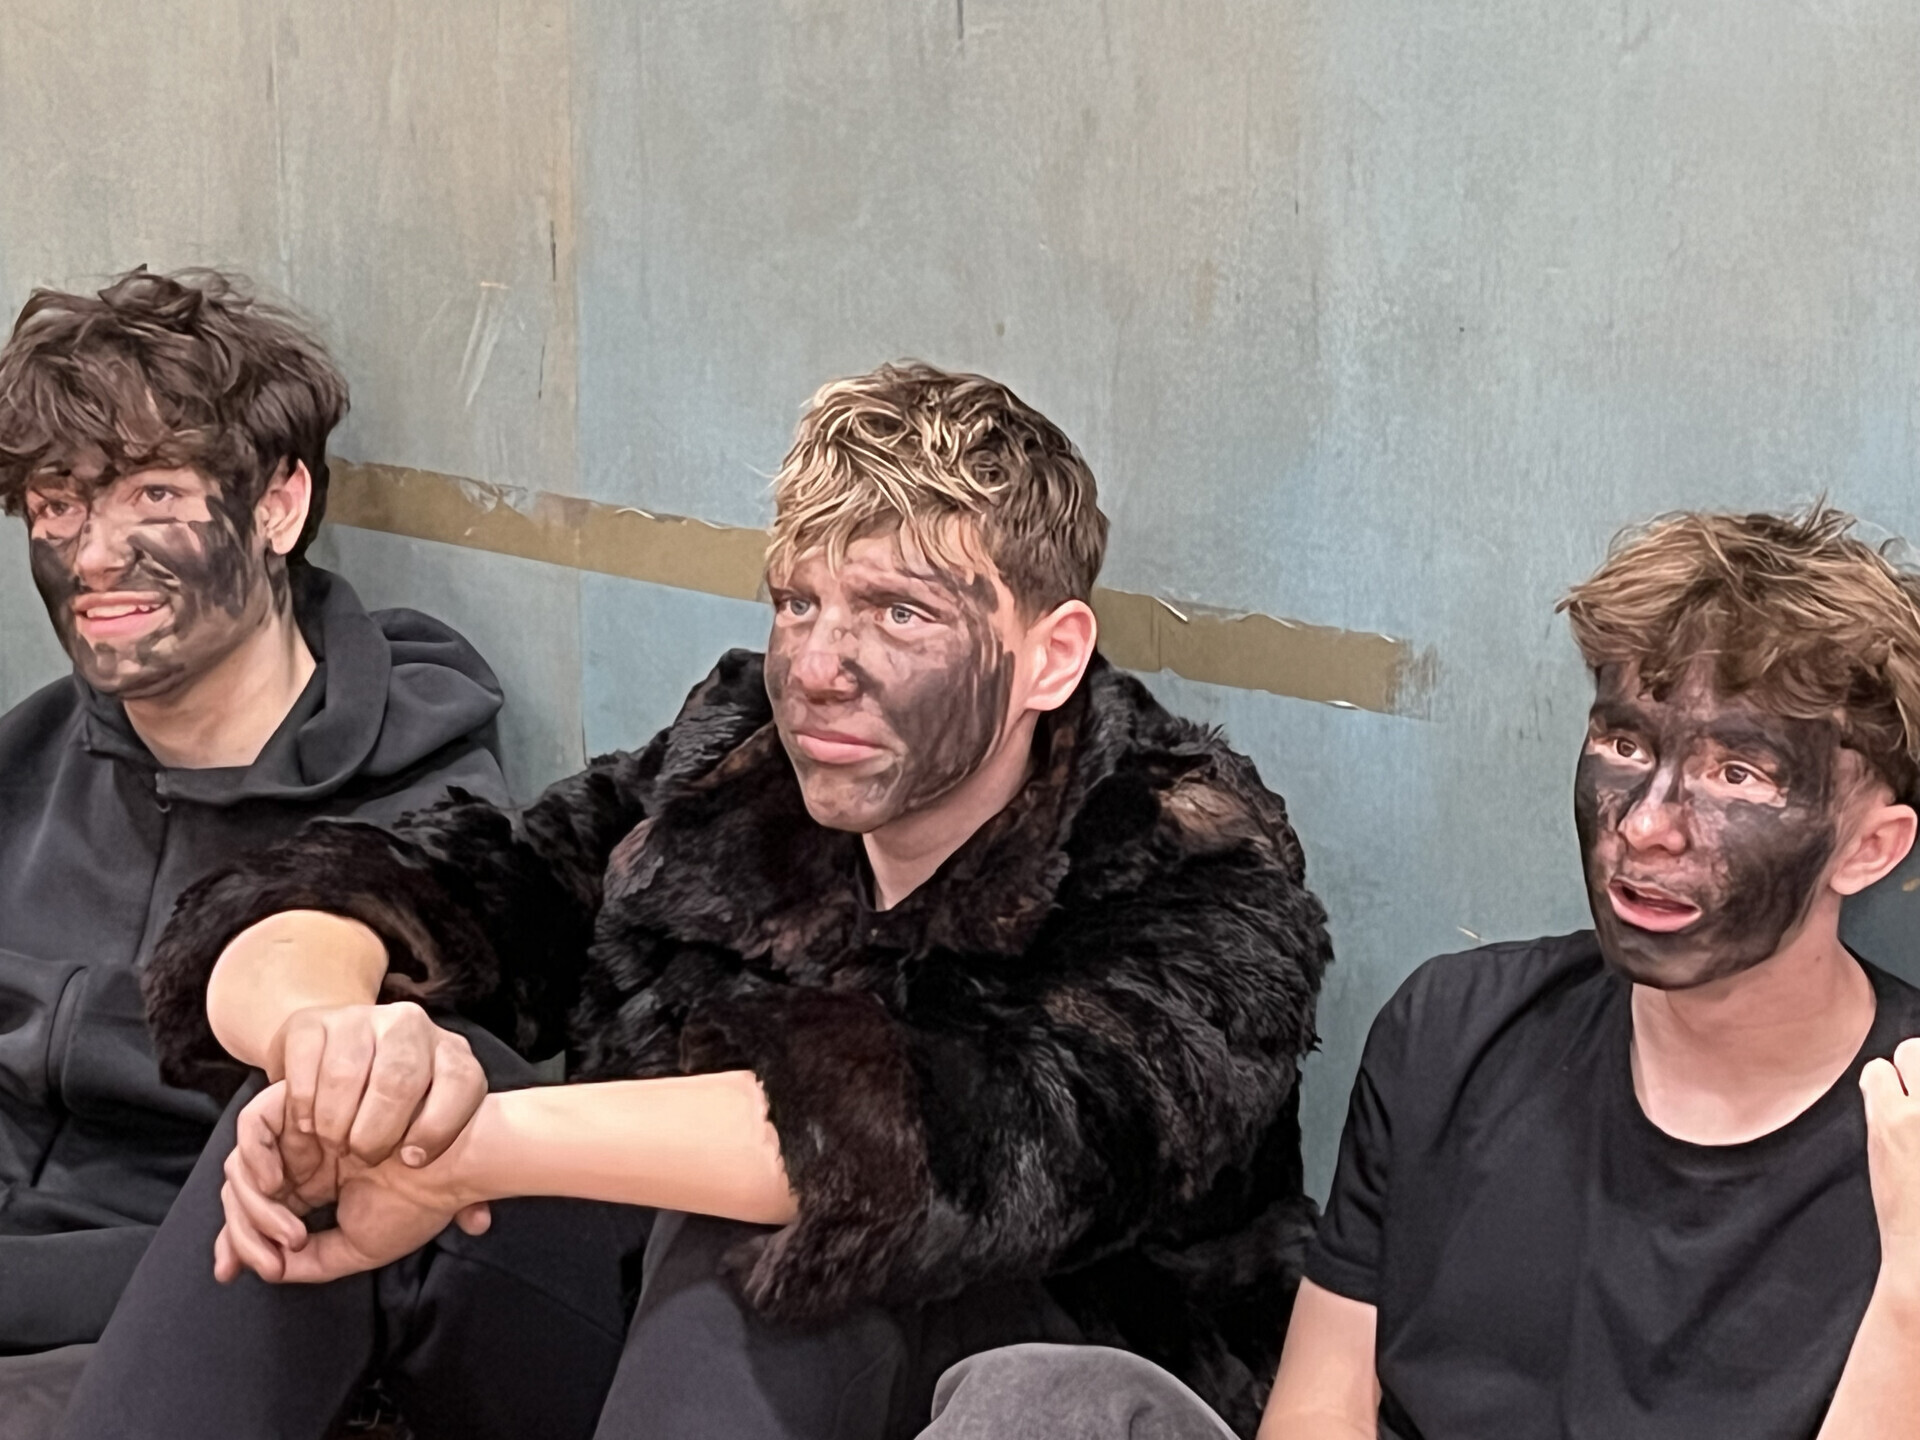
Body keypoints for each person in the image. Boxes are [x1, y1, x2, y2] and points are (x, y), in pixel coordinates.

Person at [63, 362, 1334, 1440]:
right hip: (661, 1376)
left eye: (899, 612)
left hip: (992, 1398)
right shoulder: (739, 766)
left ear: (1050, 654)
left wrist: (472, 1148)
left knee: (781, 1250)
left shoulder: (1188, 864)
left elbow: (940, 1146)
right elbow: (425, 886)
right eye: (798, 603)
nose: (819, 667)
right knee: (326, 1118)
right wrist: (333, 1053)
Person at [924, 503, 1920, 1440]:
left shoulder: (1904, 1126)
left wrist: (1910, 1301)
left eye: (1737, 773)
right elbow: (1318, 1412)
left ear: (1870, 848)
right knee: (1041, 1398)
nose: (1647, 824)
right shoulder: (1457, 1027)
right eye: (1625, 742)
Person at [0, 267, 512, 1435]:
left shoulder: (421, 807)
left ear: (279, 505)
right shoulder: (26, 757)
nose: (92, 553)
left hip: (162, 1328)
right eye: (56, 501)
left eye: (153, 493)